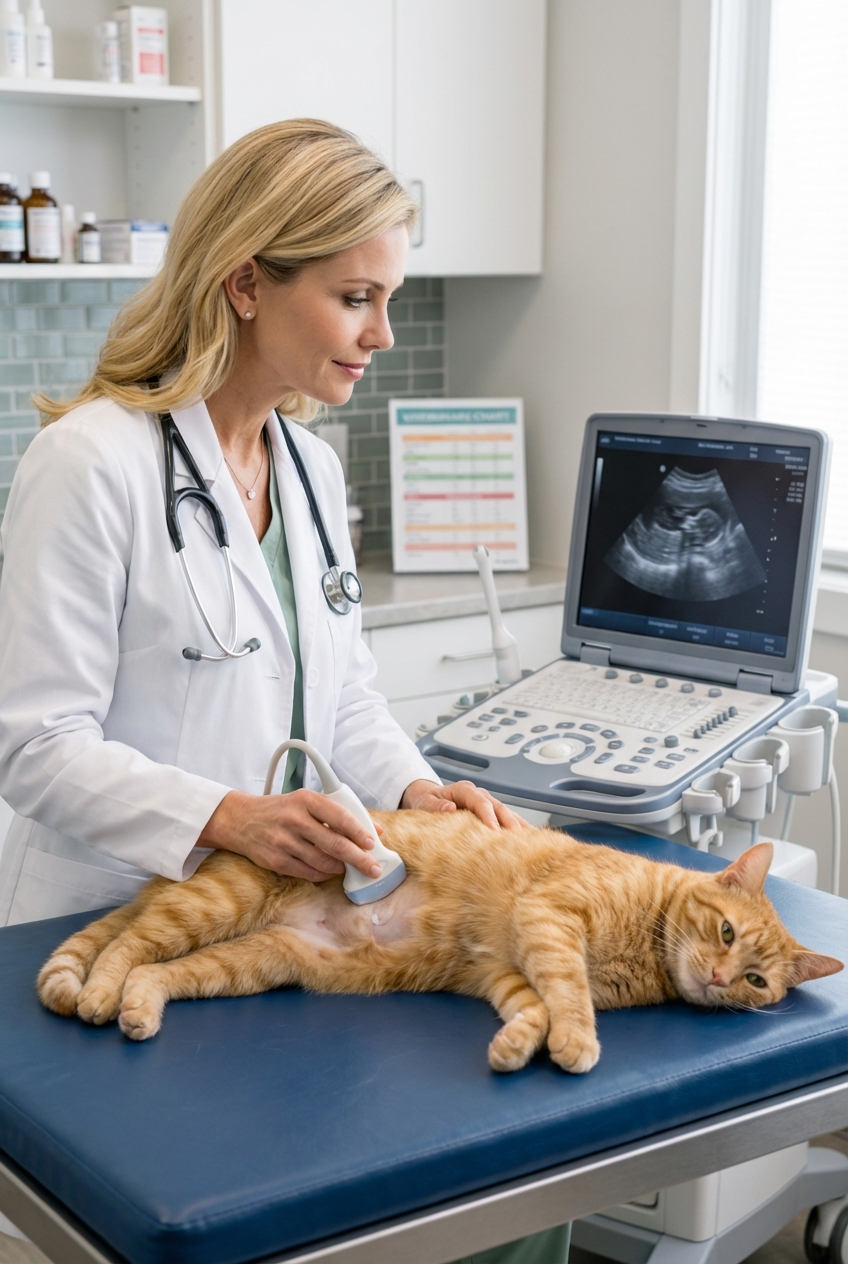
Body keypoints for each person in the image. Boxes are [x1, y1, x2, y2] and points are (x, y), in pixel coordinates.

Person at [0, 119, 569, 1264]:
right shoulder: (92, 464)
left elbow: (341, 688)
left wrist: (418, 785)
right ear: (247, 282)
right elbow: (32, 744)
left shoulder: (307, 467)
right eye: (355, 296)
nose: (381, 332)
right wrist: (223, 816)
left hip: (277, 926)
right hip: (105, 918)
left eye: (388, 296)